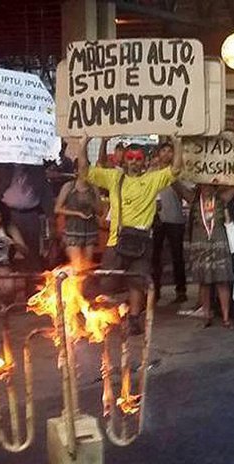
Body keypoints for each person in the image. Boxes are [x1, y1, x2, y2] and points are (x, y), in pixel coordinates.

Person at [79, 134, 183, 336]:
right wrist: (84, 143)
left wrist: (177, 143)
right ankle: (108, 316)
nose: (134, 162)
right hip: (116, 241)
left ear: (144, 161)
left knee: (137, 283)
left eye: (138, 158)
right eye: (130, 158)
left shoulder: (153, 179)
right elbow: (84, 171)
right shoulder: (114, 177)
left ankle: (134, 319)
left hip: (143, 241)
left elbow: (176, 169)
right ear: (125, 160)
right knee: (107, 282)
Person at [181, 184, 234, 329]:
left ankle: (226, 318)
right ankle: (206, 316)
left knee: (222, 280)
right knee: (204, 282)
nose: (206, 187)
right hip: (200, 243)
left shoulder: (221, 198)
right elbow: (177, 186)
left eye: (209, 184)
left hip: (218, 242)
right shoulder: (194, 199)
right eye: (203, 184)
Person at [0, 164, 52, 273]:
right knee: (6, 251)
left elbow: (45, 190)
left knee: (32, 251)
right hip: (7, 213)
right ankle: (6, 279)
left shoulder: (37, 169)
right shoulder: (2, 168)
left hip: (31, 214)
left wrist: (50, 215)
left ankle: (33, 281)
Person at [53, 165, 101, 265]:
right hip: (73, 231)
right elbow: (57, 209)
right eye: (82, 169)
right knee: (77, 264)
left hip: (90, 231)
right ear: (76, 171)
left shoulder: (93, 188)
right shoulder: (69, 186)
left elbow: (99, 210)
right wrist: (77, 213)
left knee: (87, 265)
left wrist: (92, 203)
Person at [151, 178, 188, 306]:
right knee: (155, 257)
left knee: (177, 256)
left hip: (175, 219)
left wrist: (175, 181)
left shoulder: (177, 174)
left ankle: (181, 291)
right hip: (157, 220)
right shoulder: (151, 172)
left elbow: (187, 194)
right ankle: (155, 290)